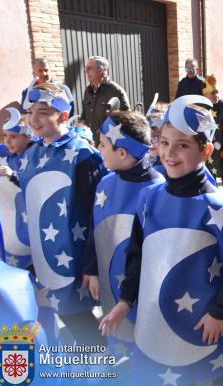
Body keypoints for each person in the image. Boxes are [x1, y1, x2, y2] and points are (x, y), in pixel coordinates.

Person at [99, 95, 223, 386]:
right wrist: (126, 301)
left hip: (212, 321)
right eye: (164, 142)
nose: (170, 153)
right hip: (167, 316)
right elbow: (137, 256)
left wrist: (219, 312)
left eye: (182, 145)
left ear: (206, 150)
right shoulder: (149, 199)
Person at [20, 82, 106, 345]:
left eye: (44, 112)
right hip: (46, 253)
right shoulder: (33, 152)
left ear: (64, 115)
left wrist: (94, 266)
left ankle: (101, 361)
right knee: (63, 310)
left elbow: (97, 213)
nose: (35, 119)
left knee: (76, 313)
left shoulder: (82, 155)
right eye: (31, 111)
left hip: (76, 255)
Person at [82, 111, 165, 357]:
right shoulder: (106, 183)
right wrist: (93, 269)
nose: (98, 148)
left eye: (103, 144)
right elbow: (94, 229)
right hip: (110, 282)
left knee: (146, 348)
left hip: (144, 292)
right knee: (118, 340)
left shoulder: (158, 190)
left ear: (122, 152)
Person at [0, 108, 32, 269]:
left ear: (28, 136)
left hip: (29, 221)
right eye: (5, 136)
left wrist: (13, 175)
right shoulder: (1, 151)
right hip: (8, 221)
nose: (7, 141)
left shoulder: (35, 156)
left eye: (13, 136)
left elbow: (35, 183)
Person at [82, 56, 130, 141]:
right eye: (85, 68)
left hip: (107, 145)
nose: (86, 71)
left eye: (89, 68)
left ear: (100, 70)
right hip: (90, 143)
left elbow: (125, 120)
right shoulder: (87, 91)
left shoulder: (116, 91)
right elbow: (84, 117)